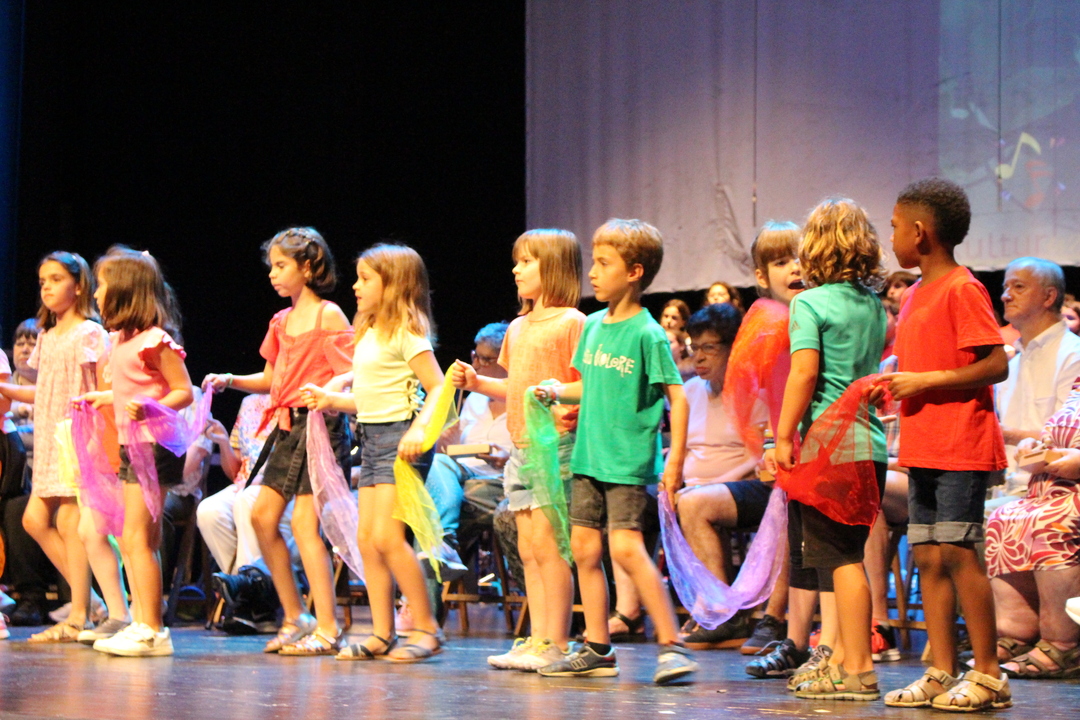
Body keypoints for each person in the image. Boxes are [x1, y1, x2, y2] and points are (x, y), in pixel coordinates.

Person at [534, 218, 699, 685]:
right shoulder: (591, 326)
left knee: (625, 548)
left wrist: (675, 462)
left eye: (604, 264)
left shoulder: (648, 333)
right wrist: (556, 392)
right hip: (588, 457)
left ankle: (672, 644)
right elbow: (589, 386)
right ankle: (598, 648)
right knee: (584, 549)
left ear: (634, 272)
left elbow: (678, 397)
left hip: (626, 461)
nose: (593, 272)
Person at [881, 177, 1012, 711]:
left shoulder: (962, 288)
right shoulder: (914, 294)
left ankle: (989, 673)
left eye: (894, 227)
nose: (890, 236)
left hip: (961, 442)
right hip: (923, 444)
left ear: (919, 232)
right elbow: (917, 367)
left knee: (959, 553)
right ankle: (940, 668)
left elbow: (996, 363)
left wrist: (926, 381)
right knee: (929, 556)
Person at [204, 227, 353, 655]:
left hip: (319, 426)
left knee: (305, 526)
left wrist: (329, 393)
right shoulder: (281, 321)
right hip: (286, 427)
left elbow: (351, 370)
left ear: (307, 268)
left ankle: (328, 626)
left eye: (281, 265)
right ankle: (295, 615)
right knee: (263, 517)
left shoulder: (328, 316)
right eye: (271, 266)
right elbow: (272, 379)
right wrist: (231, 379)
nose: (273, 273)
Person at [302, 242, 446, 663]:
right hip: (373, 438)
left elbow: (438, 388)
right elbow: (370, 398)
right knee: (366, 539)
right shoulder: (368, 333)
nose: (356, 286)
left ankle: (427, 627)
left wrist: (418, 430)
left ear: (394, 284)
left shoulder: (407, 334)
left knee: (387, 537)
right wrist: (332, 400)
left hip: (402, 439)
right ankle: (382, 632)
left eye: (366, 279)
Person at [452, 229, 584, 671]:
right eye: (517, 261)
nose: (516, 269)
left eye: (527, 261)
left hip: (557, 446)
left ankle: (557, 641)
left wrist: (561, 399)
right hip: (522, 449)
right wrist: (476, 382)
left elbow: (586, 385)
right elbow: (514, 385)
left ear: (555, 268)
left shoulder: (573, 323)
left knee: (550, 546)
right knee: (528, 548)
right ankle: (539, 635)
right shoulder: (517, 326)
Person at [775, 198, 888, 701]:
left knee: (841, 560)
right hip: (869, 445)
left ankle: (858, 668)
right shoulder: (872, 305)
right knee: (845, 556)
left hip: (830, 447)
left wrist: (782, 436)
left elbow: (804, 373)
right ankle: (841, 658)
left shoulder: (809, 303)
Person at [81, 247, 194, 656]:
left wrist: (152, 406)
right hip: (133, 444)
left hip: (155, 445)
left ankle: (152, 630)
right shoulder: (121, 340)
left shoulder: (155, 341)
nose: (96, 294)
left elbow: (183, 391)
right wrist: (104, 398)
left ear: (125, 291)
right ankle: (144, 621)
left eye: (102, 285)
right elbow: (131, 388)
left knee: (136, 536)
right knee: (136, 539)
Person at [0, 253, 116, 643]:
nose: (46, 287)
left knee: (67, 521)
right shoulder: (48, 336)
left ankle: (80, 613)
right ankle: (91, 604)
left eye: (55, 279)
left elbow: (102, 386)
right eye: (42, 281)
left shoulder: (89, 333)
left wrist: (96, 436)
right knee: (35, 520)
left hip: (77, 435)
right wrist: (3, 386)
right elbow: (44, 390)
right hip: (51, 437)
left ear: (78, 285)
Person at [673, 303, 772, 650]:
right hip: (697, 490)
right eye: (694, 348)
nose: (699, 357)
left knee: (694, 503)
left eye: (709, 348)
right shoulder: (689, 392)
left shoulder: (755, 393)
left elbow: (758, 457)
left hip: (748, 486)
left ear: (733, 349)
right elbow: (680, 449)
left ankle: (722, 612)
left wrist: (711, 485)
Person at [983, 380, 1080, 678]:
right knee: (1003, 518)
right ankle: (1018, 633)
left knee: (1052, 522)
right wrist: (1034, 448)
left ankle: (1063, 643)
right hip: (1049, 489)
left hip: (1070, 496)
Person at [197, 392, 291, 634]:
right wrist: (223, 443)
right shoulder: (249, 403)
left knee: (247, 501)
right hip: (245, 485)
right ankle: (250, 598)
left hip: (284, 490)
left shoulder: (295, 400)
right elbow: (235, 471)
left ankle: (250, 604)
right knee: (209, 510)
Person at [994, 258, 1080, 500]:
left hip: (1058, 491)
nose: (1005, 296)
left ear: (1049, 297)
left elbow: (1071, 442)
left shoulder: (1073, 355)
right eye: (1005, 287)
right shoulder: (1011, 364)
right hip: (1009, 491)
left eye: (1018, 287)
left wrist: (1003, 434)